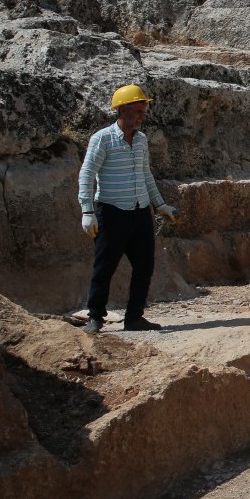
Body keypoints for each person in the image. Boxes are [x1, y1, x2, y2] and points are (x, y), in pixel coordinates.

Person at [78, 84, 178, 334]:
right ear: (121, 110)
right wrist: (87, 211)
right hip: (111, 213)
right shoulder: (102, 138)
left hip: (140, 212)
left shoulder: (142, 140)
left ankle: (134, 318)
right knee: (105, 267)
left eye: (143, 111)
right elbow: (87, 174)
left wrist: (160, 204)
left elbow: (146, 175)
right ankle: (95, 317)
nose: (141, 116)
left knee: (144, 266)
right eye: (137, 111)